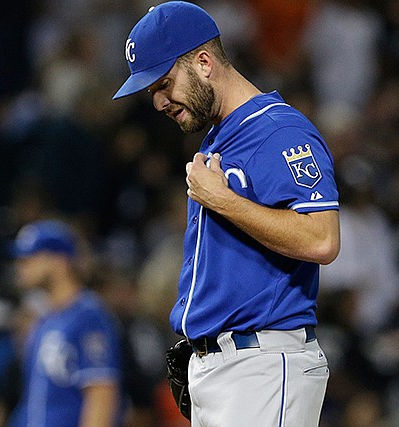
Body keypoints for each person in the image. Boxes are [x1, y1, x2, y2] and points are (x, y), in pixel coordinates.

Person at [113, 2, 340, 427]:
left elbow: (322, 239)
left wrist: (223, 200)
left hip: (263, 365)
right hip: (224, 369)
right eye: (151, 92)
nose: (159, 101)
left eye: (164, 83)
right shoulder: (221, 138)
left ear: (203, 62)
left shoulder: (279, 131)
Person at [7, 220, 122, 427]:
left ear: (59, 261)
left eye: (29, 258)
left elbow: (101, 394)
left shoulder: (88, 315)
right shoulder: (44, 321)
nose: (20, 266)